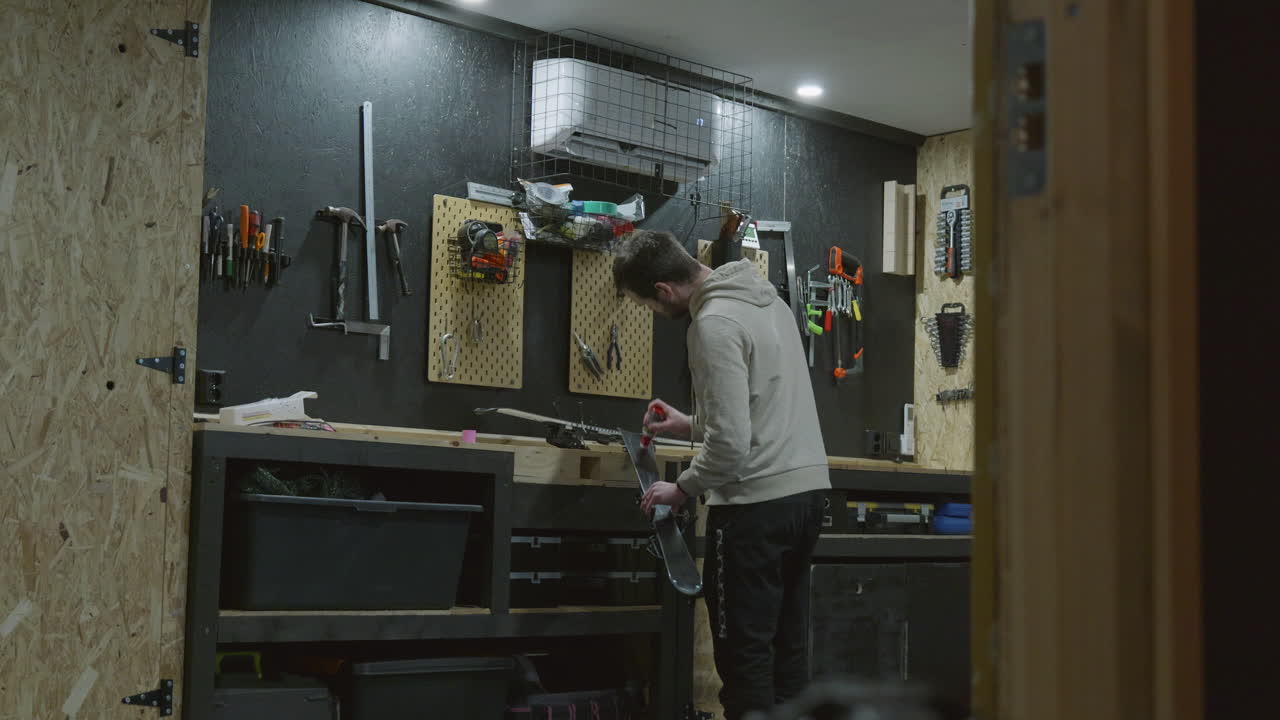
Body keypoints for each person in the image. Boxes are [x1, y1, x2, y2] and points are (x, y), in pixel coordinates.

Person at [612, 229, 830, 720]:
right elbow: (756, 408)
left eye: (646, 304)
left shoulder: (711, 324)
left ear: (664, 291)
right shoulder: (767, 302)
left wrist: (681, 487)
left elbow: (731, 447)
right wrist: (691, 423)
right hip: (806, 497)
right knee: (787, 651)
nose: (653, 312)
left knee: (744, 655)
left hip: (755, 508)